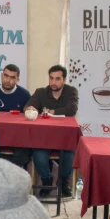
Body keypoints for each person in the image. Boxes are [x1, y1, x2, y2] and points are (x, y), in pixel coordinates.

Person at [25, 65, 79, 196]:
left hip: (64, 137)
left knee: (70, 155)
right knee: (38, 155)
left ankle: (63, 181)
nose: (53, 82)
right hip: (44, 137)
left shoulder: (71, 91)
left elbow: (71, 109)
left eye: (57, 79)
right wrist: (30, 110)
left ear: (64, 79)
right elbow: (28, 106)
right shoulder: (41, 92)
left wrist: (47, 112)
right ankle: (47, 181)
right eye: (51, 78)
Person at [0, 64, 32, 169]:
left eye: (12, 77)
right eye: (6, 76)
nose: (8, 80)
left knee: (23, 154)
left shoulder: (25, 95)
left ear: (17, 80)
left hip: (18, 139)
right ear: (1, 75)